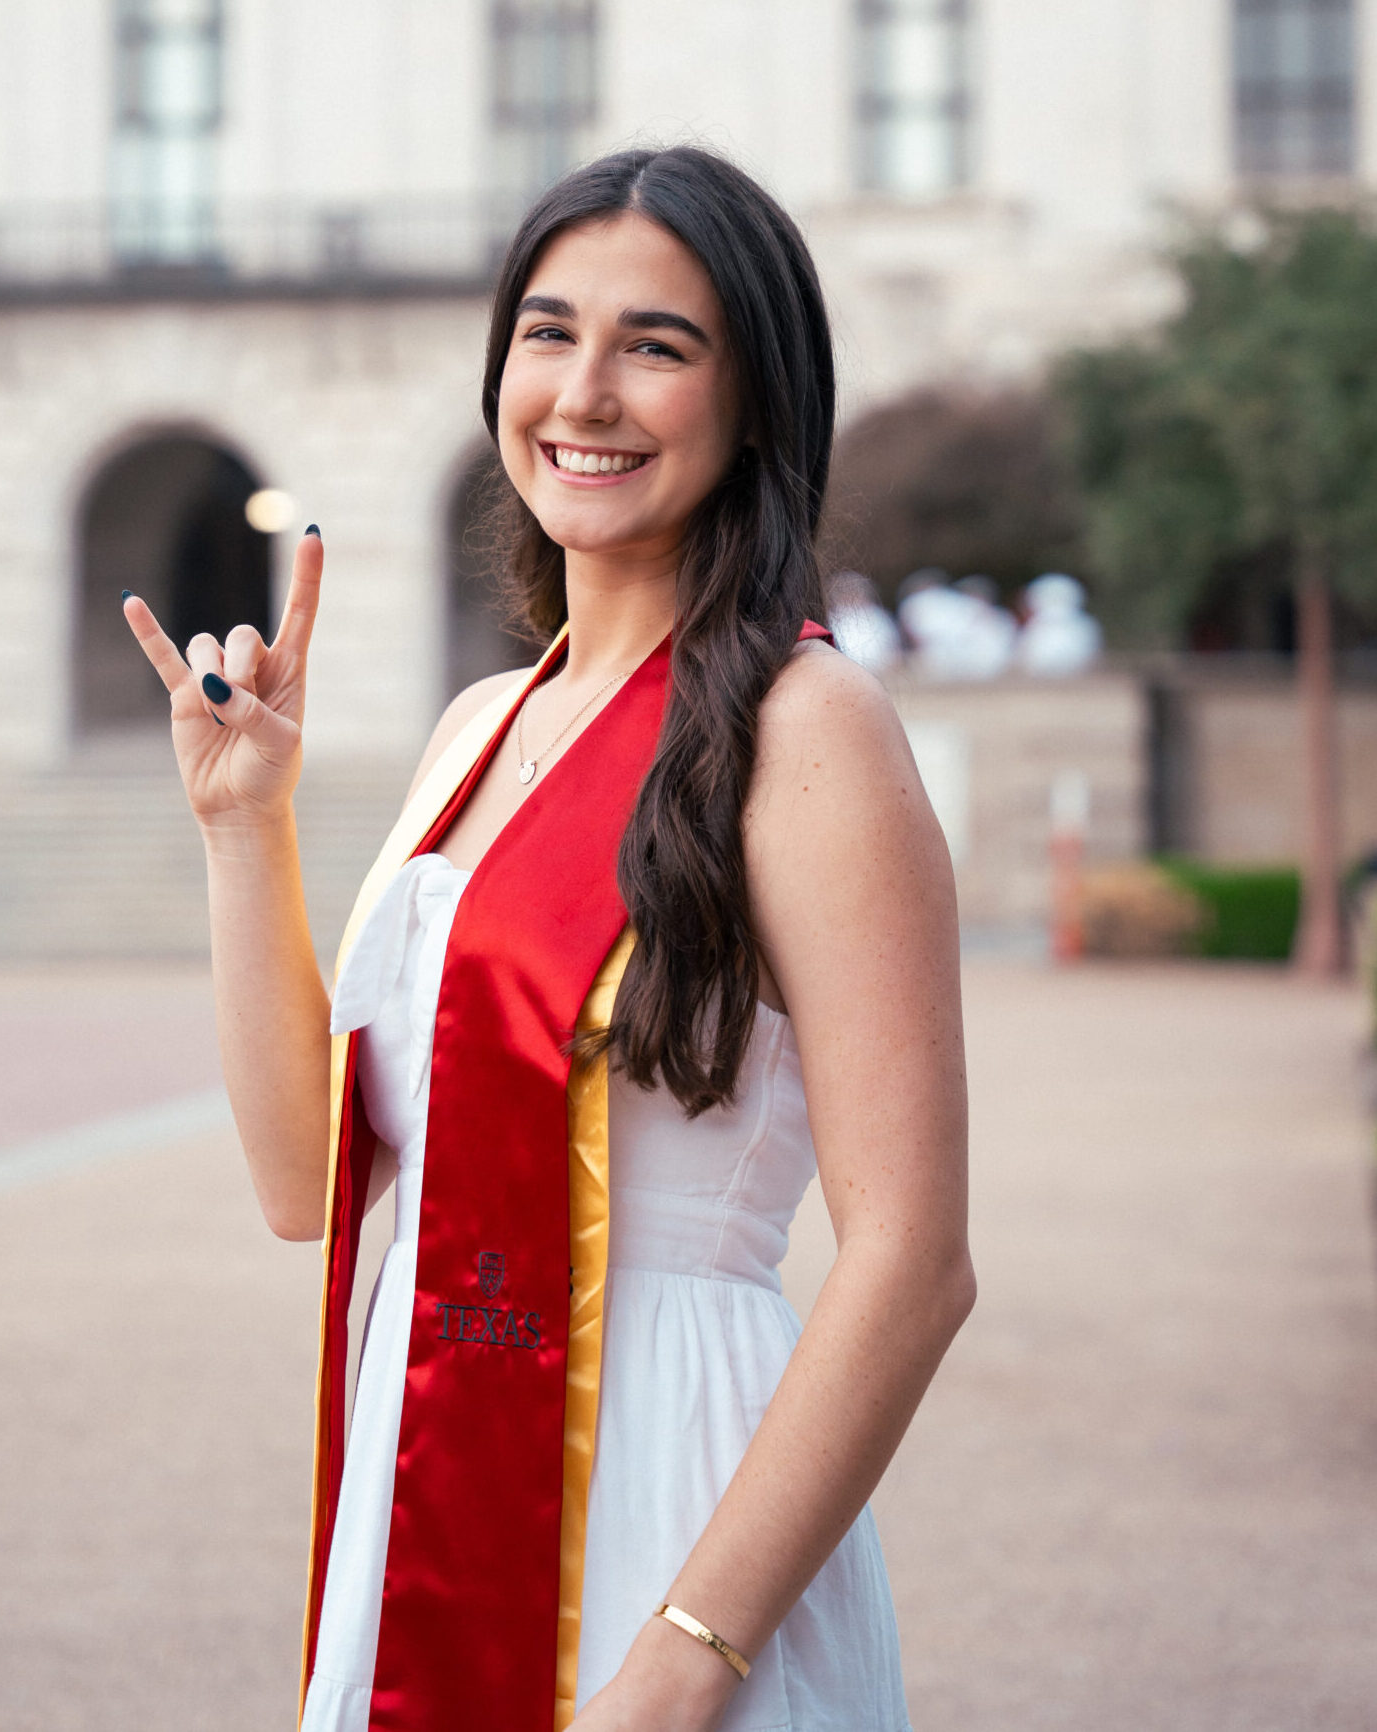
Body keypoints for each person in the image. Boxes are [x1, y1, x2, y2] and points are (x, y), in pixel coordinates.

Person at [123, 145, 972, 1732]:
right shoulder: (478, 728)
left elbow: (914, 1262)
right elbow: (309, 1180)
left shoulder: (810, 730)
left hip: (675, 1489)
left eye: (657, 345)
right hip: (432, 1455)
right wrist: (246, 829)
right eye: (548, 332)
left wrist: (679, 1661)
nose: (584, 393)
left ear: (754, 399)